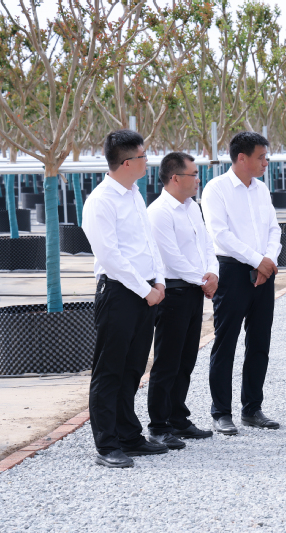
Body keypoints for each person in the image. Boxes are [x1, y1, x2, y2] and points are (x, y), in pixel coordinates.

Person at [82, 129, 168, 468]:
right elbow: (111, 256)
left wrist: (158, 281)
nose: (148, 161)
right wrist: (146, 290)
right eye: (144, 156)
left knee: (132, 367)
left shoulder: (134, 195)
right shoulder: (100, 201)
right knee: (109, 369)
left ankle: (129, 436)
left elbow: (148, 242)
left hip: (145, 291)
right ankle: (107, 444)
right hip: (119, 293)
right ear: (128, 162)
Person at [201, 132, 281, 435]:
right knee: (226, 342)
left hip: (264, 273)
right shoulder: (216, 189)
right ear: (241, 158)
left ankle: (252, 408)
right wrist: (257, 260)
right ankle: (221, 412)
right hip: (233, 272)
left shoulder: (261, 189)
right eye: (261, 157)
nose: (265, 162)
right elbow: (220, 235)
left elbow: (274, 229)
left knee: (259, 342)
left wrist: (268, 261)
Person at [146, 152, 218, 447]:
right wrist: (203, 280)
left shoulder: (191, 208)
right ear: (175, 178)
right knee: (167, 361)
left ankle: (178, 418)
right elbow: (171, 257)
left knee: (186, 360)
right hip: (173, 292)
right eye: (193, 174)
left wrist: (212, 273)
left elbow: (206, 244)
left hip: (194, 290)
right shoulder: (159, 212)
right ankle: (158, 425)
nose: (198, 180)